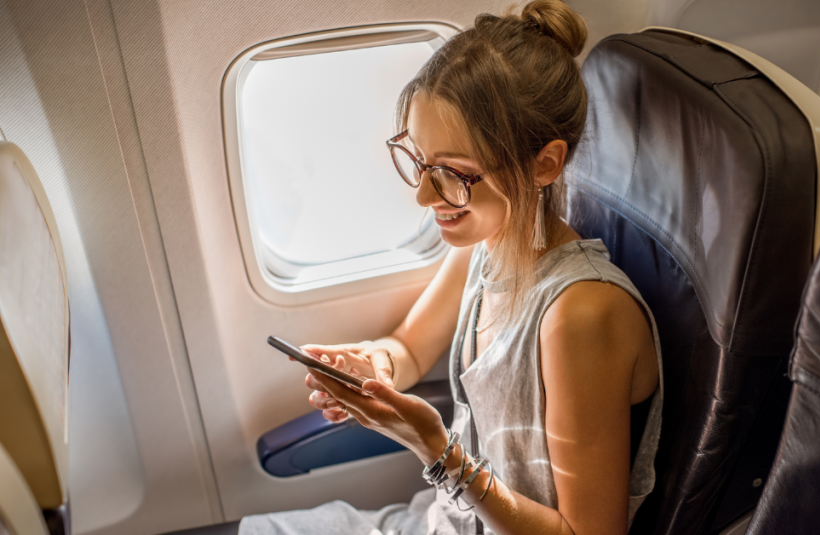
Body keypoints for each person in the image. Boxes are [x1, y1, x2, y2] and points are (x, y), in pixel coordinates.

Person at [240, 2, 662, 533]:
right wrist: (377, 366)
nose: (423, 195)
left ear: (544, 164)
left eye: (453, 173)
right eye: (419, 162)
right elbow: (411, 348)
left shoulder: (582, 316)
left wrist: (435, 449)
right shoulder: (483, 243)